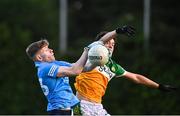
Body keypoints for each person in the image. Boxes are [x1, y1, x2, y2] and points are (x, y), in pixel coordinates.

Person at [74, 26, 177, 116]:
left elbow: (136, 77)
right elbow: (99, 42)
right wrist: (117, 31)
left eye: (113, 44)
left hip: (97, 107)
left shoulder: (113, 66)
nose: (110, 46)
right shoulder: (90, 56)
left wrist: (158, 86)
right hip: (81, 105)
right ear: (99, 45)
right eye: (108, 43)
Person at [25, 30, 119, 115]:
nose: (51, 50)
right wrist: (87, 50)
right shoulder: (44, 68)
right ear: (39, 58)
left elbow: (85, 68)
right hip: (60, 110)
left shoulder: (57, 63)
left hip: (73, 107)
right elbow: (75, 71)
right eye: (46, 50)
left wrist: (98, 61)